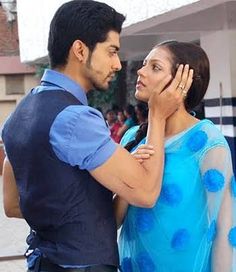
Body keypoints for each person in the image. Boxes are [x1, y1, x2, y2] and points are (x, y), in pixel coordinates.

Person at [1, 0, 192, 271]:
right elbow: (147, 193)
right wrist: (158, 116)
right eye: (111, 51)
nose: (117, 64)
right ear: (80, 50)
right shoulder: (75, 118)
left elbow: (12, 204)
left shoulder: (20, 114)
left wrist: (120, 175)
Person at [114, 41, 236, 272]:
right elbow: (113, 220)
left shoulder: (208, 142)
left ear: (182, 83)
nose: (141, 71)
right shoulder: (132, 137)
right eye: (144, 64)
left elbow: (224, 226)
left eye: (155, 67)